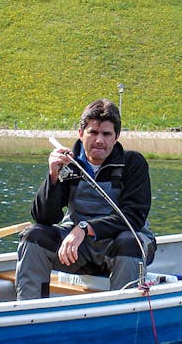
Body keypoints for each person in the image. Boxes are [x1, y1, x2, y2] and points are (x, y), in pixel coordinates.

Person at [15, 98, 155, 300]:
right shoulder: (70, 165)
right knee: (34, 236)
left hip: (124, 246)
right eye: (93, 132)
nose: (100, 140)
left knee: (129, 241)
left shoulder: (133, 163)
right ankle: (29, 311)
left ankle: (123, 312)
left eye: (106, 134)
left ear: (116, 137)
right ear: (81, 134)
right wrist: (53, 177)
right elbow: (44, 217)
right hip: (78, 252)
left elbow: (133, 218)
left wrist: (83, 228)